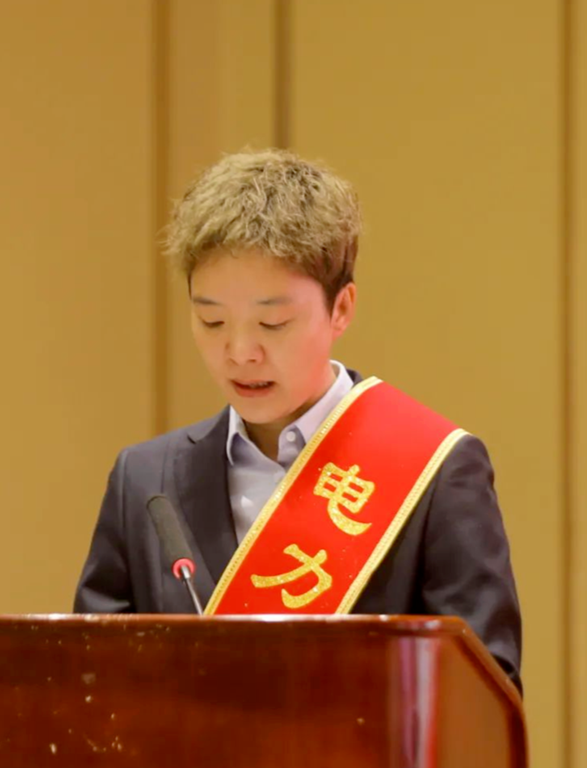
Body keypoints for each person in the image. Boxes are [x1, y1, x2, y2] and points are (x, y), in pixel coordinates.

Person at [74, 148, 522, 691]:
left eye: (274, 323)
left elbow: (483, 699)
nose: (240, 352)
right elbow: (91, 688)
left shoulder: (435, 471)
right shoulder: (145, 480)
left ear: (341, 308)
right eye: (211, 320)